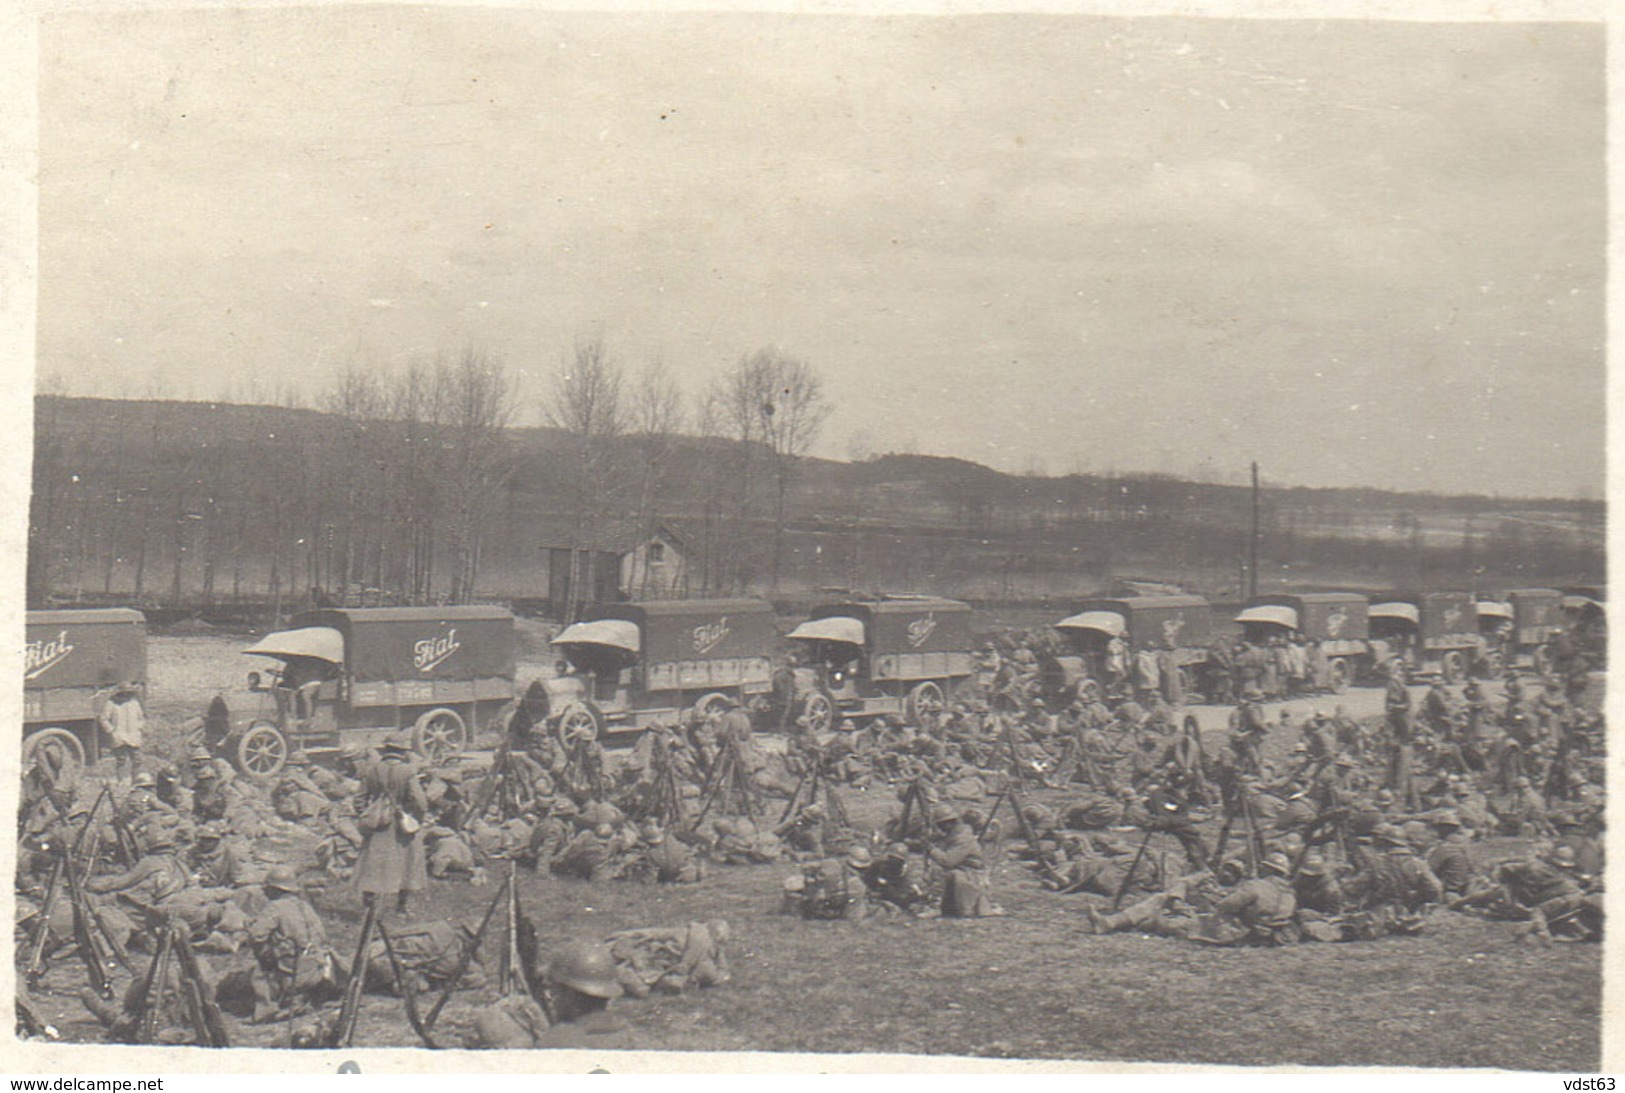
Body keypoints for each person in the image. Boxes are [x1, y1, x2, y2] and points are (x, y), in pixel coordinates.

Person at [245, 866, 339, 1022]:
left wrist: (265, 954)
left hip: (293, 972)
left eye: (267, 888)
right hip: (319, 968)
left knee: (260, 971)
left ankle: (267, 1011)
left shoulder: (274, 907)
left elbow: (256, 936)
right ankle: (301, 999)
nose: (265, 892)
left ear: (275, 889)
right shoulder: (305, 906)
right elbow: (321, 936)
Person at [354, 732, 429, 915]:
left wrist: (370, 814)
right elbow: (420, 802)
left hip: (378, 824)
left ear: (385, 749)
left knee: (372, 863)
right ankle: (402, 907)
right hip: (401, 824)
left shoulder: (371, 769)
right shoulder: (408, 771)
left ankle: (368, 907)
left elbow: (358, 799)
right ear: (402, 752)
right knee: (407, 862)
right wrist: (414, 817)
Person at [926, 804, 1003, 918]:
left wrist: (931, 849)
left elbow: (948, 860)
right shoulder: (954, 834)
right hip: (963, 871)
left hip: (971, 875)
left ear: (948, 823)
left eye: (940, 825)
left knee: (939, 870)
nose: (939, 828)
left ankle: (935, 907)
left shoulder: (962, 837)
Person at [99, 682, 146, 785]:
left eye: (129, 693)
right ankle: (122, 781)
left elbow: (141, 718)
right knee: (121, 760)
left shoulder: (134, 703)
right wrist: (112, 731)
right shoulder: (111, 703)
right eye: (125, 693)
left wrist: (139, 728)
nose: (127, 695)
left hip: (133, 736)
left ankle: (136, 781)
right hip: (119, 736)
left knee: (137, 759)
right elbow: (104, 719)